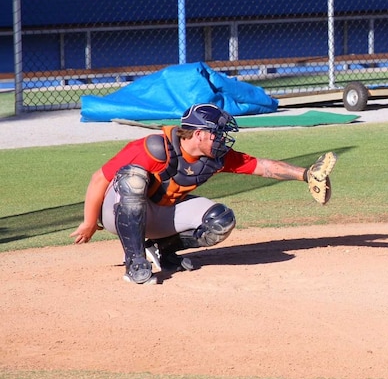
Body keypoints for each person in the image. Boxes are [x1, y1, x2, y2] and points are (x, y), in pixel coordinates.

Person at [71, 103, 337, 285]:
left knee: (221, 220)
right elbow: (99, 179)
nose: (222, 140)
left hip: (158, 213)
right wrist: (89, 221)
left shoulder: (216, 157)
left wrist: (305, 174)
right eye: (217, 134)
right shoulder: (154, 147)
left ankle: (164, 250)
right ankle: (135, 261)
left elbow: (264, 167)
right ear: (199, 134)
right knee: (134, 178)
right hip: (115, 210)